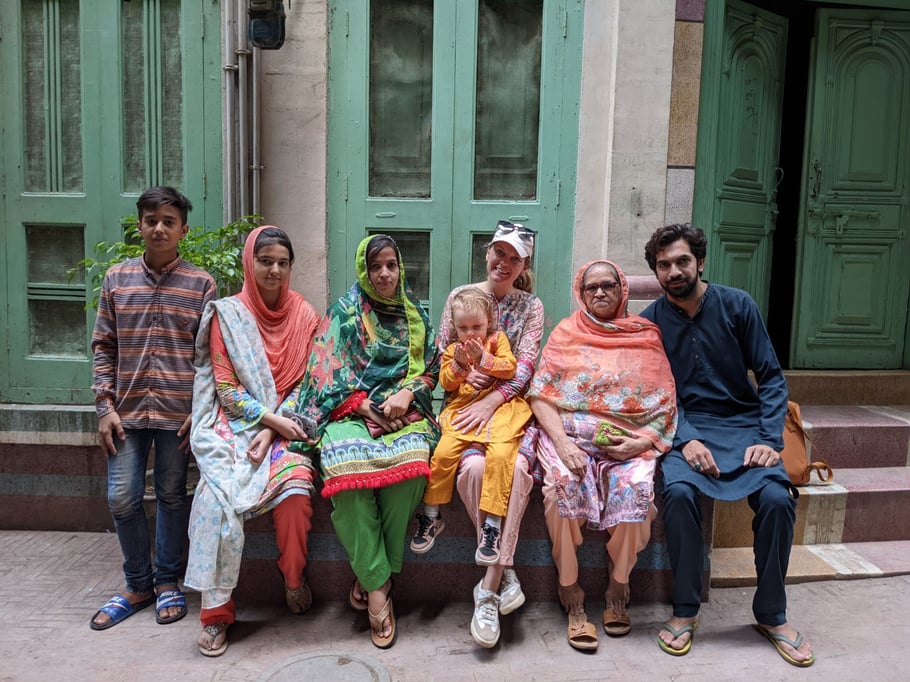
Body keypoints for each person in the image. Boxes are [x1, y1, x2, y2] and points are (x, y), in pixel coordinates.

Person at [640, 224, 815, 667]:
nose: (674, 270)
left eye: (682, 261)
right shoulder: (649, 323)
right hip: (687, 428)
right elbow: (651, 394)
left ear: (700, 261)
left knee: (777, 498)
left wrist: (767, 439)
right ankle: (685, 609)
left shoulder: (738, 305)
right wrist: (684, 438)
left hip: (745, 427)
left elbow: (771, 377)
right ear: (656, 273)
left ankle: (772, 614)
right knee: (677, 494)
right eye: (664, 265)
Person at [291, 234, 440, 649]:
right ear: (364, 270)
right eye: (376, 267)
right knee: (349, 480)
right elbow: (323, 378)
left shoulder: (415, 315)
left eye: (391, 265)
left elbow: (430, 369)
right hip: (350, 414)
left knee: (410, 474)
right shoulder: (343, 315)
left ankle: (368, 575)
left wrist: (406, 393)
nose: (385, 274)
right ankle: (379, 591)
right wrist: (366, 407)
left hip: (403, 414)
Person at [526, 260, 677, 651]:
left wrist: (641, 443)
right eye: (590, 287)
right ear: (581, 291)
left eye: (607, 285)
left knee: (636, 495)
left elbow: (663, 403)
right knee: (561, 491)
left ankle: (619, 579)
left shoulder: (644, 335)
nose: (599, 293)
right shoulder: (566, 333)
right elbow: (541, 397)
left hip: (627, 442)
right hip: (570, 438)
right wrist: (562, 444)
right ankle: (569, 585)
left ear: (622, 289)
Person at [185, 226, 320, 657]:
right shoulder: (228, 315)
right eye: (265, 261)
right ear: (250, 262)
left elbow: (308, 385)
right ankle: (217, 614)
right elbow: (225, 389)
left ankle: (293, 577)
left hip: (287, 425)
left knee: (296, 492)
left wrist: (273, 428)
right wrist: (265, 421)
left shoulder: (305, 316)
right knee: (214, 500)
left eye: (283, 262)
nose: (274, 270)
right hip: (236, 425)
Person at [89, 187, 216, 631]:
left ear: (183, 229)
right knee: (121, 497)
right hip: (124, 413)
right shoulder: (116, 280)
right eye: (150, 220)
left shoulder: (201, 285)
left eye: (168, 221)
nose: (159, 228)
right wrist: (104, 406)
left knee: (170, 495)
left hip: (177, 416)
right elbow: (103, 345)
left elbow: (209, 357)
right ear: (139, 226)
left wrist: (197, 411)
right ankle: (136, 583)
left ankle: (166, 583)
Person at [434, 220, 544, 648]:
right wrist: (466, 386)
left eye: (514, 257)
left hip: (508, 411)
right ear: (487, 253)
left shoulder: (531, 308)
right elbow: (441, 354)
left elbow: (527, 368)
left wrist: (492, 400)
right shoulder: (461, 299)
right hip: (463, 409)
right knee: (473, 469)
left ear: (524, 264)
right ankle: (507, 572)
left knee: (512, 468)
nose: (504, 262)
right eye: (499, 252)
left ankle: (488, 588)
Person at [410, 287, 532, 565]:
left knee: (502, 456)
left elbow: (510, 368)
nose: (471, 333)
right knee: (441, 455)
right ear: (454, 326)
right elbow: (447, 383)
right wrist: (461, 366)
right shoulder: (453, 350)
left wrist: (485, 361)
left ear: (488, 322)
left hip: (500, 410)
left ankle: (492, 525)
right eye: (463, 328)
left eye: (477, 326)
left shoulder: (497, 340)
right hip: (464, 410)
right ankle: (431, 515)